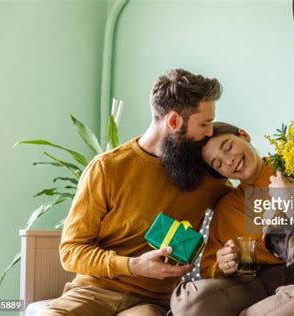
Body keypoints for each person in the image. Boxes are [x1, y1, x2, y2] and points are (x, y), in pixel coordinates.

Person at [37, 69, 231, 316]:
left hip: (149, 303)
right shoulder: (107, 168)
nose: (209, 132)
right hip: (91, 293)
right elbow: (71, 251)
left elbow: (246, 201)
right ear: (174, 122)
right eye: (204, 123)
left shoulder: (206, 175)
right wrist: (134, 266)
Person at [171, 122, 294, 316]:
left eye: (228, 147)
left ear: (244, 135)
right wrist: (221, 265)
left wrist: (292, 204)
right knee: (189, 303)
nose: (228, 161)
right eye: (218, 163)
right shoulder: (227, 208)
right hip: (254, 285)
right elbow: (208, 268)